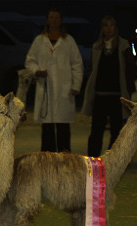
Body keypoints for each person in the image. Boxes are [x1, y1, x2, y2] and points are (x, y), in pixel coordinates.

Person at [25, 8, 84, 153]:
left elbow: (77, 64)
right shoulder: (39, 40)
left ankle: (65, 158)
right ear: (47, 20)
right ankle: (47, 159)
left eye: (57, 18)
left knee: (63, 126)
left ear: (61, 20)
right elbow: (30, 61)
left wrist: (76, 84)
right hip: (46, 88)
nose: (54, 20)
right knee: (47, 127)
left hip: (64, 89)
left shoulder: (68, 41)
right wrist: (37, 71)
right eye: (51, 17)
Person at [81, 15, 137, 157]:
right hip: (100, 95)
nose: (108, 29)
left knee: (117, 131)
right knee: (96, 131)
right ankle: (92, 159)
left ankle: (113, 158)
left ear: (116, 28)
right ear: (102, 29)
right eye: (106, 26)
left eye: (111, 25)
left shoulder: (123, 46)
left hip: (117, 96)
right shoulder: (96, 47)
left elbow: (131, 69)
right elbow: (92, 69)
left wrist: (130, 90)